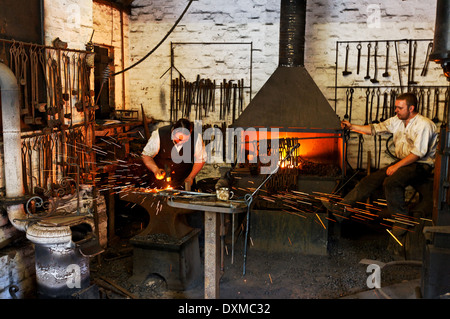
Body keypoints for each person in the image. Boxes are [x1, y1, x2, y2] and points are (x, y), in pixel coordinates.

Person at [325, 92, 438, 224]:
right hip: (404, 162)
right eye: (396, 107)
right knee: (370, 180)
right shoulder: (398, 120)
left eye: (399, 108)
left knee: (391, 182)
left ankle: (401, 221)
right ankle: (342, 208)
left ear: (411, 108)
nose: (396, 110)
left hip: (420, 165)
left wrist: (396, 166)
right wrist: (352, 127)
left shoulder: (424, 124)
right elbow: (375, 129)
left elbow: (418, 154)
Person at [142, 118, 206, 190]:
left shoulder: (196, 137)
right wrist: (155, 170)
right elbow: (146, 155)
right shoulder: (160, 133)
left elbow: (200, 159)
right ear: (173, 132)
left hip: (184, 181)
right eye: (178, 139)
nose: (181, 142)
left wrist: (191, 177)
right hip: (159, 182)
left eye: (185, 140)